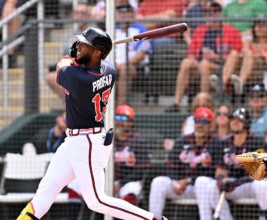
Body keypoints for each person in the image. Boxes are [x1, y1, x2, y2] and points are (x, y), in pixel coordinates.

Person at [17, 27, 166, 220]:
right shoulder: (109, 70)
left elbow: (61, 66)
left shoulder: (78, 78)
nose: (78, 47)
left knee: (96, 200)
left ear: (97, 52)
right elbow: (89, 63)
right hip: (74, 142)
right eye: (79, 43)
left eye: (83, 45)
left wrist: (71, 55)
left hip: (87, 142)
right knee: (44, 193)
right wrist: (84, 53)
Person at [167, 2, 242, 112]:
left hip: (222, 67)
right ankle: (176, 103)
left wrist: (215, 57)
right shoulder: (200, 30)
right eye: (206, 13)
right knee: (186, 63)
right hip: (201, 65)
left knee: (205, 64)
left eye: (211, 13)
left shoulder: (231, 31)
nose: (208, 16)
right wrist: (196, 62)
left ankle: (204, 104)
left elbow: (237, 56)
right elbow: (191, 53)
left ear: (219, 14)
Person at [195, 107, 267, 220]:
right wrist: (221, 180)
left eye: (239, 120)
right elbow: (220, 171)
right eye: (233, 119)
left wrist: (237, 182)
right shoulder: (224, 143)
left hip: (250, 185)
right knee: (212, 187)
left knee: (262, 183)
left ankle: (263, 216)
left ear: (246, 123)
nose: (235, 122)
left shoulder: (256, 142)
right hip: (233, 185)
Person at [149, 107, 217, 218]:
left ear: (210, 125)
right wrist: (176, 181)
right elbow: (170, 165)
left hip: (202, 189)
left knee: (202, 182)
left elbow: (214, 171)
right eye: (197, 121)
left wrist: (188, 180)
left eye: (204, 122)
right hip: (181, 186)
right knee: (158, 182)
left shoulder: (216, 142)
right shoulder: (182, 141)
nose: (200, 125)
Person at [45, 2, 92, 100]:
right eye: (77, 13)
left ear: (88, 16)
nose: (79, 16)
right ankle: (72, 107)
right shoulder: (69, 33)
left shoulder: (94, 32)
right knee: (50, 77)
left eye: (82, 13)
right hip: (71, 68)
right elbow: (62, 55)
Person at [114, 0, 152, 104]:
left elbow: (141, 54)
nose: (123, 15)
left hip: (134, 67)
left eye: (126, 12)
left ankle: (121, 106)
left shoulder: (141, 30)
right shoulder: (112, 30)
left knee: (124, 69)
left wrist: (123, 64)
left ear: (132, 14)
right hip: (113, 65)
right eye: (120, 12)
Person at [114, 104, 151, 205]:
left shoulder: (138, 141)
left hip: (129, 182)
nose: (120, 122)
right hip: (107, 181)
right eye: (117, 117)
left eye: (124, 119)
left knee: (131, 191)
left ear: (131, 122)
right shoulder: (106, 140)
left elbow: (141, 170)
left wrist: (120, 183)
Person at [234, 18, 267, 92]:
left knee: (249, 55)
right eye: (257, 26)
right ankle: (228, 82)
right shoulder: (249, 41)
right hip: (246, 66)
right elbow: (244, 51)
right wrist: (261, 54)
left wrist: (258, 55)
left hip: (260, 69)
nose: (258, 29)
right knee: (235, 53)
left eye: (262, 26)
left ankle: (241, 82)